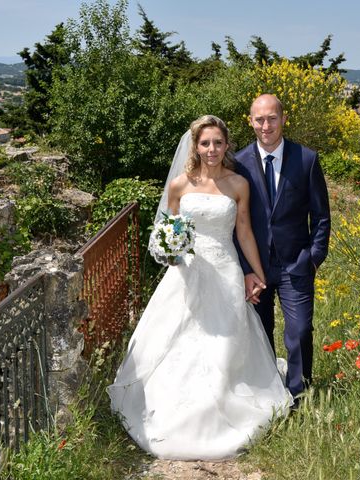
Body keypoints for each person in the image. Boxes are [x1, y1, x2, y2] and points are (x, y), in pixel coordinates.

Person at [107, 115, 293, 461]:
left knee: (223, 343)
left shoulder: (238, 184)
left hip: (224, 271)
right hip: (186, 274)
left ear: (227, 145)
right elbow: (166, 229)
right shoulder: (179, 185)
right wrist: (170, 252)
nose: (211, 149)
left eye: (218, 143)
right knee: (176, 336)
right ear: (196, 146)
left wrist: (256, 272)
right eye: (205, 143)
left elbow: (244, 232)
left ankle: (221, 403)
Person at [235, 94, 331, 402]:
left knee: (300, 332)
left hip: (295, 265)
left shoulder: (306, 159)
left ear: (284, 119)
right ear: (251, 122)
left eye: (272, 118)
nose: (266, 126)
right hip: (256, 267)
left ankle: (298, 396)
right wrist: (246, 269)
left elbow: (321, 216)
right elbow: (236, 221)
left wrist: (313, 259)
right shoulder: (238, 163)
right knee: (260, 336)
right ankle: (265, 397)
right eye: (259, 119)